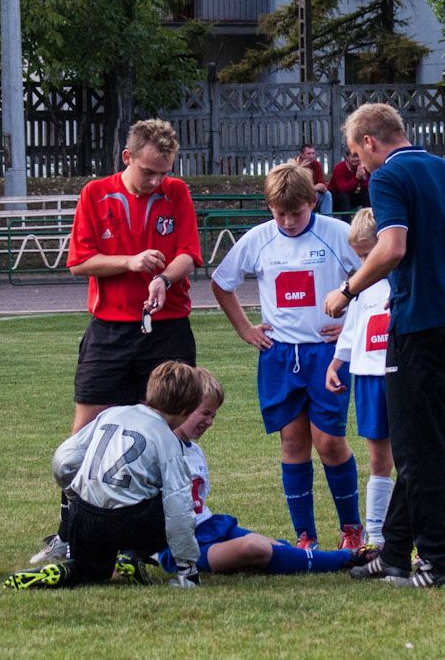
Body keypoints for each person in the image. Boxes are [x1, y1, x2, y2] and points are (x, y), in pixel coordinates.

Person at [322, 103, 445, 590]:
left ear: (370, 141)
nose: (359, 164)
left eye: (356, 152)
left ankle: (439, 562)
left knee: (416, 449)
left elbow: (392, 247)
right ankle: (396, 555)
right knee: (427, 438)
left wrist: (347, 290)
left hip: (419, 324)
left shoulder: (389, 177)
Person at [30, 119, 203, 565]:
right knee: (86, 432)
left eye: (164, 172)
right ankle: (70, 534)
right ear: (128, 158)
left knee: (172, 430)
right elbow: (79, 262)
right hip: (109, 329)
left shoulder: (177, 193)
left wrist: (164, 278)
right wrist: (130, 263)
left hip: (167, 326)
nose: (156, 181)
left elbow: (189, 254)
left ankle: (155, 539)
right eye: (148, 171)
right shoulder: (95, 194)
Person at [211, 161, 364, 552]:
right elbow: (222, 282)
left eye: (297, 212)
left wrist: (351, 325)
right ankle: (305, 536)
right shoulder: (259, 239)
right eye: (280, 214)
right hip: (279, 356)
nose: (289, 221)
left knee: (329, 442)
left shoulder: (338, 233)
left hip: (326, 355)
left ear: (312, 201)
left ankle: (351, 529)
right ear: (269, 207)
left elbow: (377, 277)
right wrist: (245, 329)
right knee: (293, 444)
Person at [157, 368, 378, 577]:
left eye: (213, 416)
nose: (210, 422)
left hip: (210, 527)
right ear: (183, 406)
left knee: (276, 546)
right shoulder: (157, 449)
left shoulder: (195, 451)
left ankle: (300, 556)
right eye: (205, 413)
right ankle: (346, 558)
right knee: (256, 547)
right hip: (182, 545)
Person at [5, 361, 204, 590]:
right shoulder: (169, 441)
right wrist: (188, 568)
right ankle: (132, 553)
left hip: (84, 517)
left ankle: (65, 571)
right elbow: (178, 508)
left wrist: (74, 497)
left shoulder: (112, 413)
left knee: (92, 572)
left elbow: (64, 460)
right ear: (187, 409)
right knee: (173, 500)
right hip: (130, 523)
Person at [324, 208, 394, 548]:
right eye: (360, 257)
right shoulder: (359, 286)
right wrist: (336, 363)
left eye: (369, 254)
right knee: (378, 458)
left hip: (399, 375)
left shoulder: (402, 279)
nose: (365, 263)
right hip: (367, 377)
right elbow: (352, 330)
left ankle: (413, 534)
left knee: (410, 457)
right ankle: (376, 536)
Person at [328, 149, 370, 213]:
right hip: (335, 198)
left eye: (358, 156)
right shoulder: (339, 168)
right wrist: (357, 178)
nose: (356, 159)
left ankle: (368, 216)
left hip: (350, 196)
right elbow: (343, 189)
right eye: (353, 157)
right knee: (344, 196)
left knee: (366, 194)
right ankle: (347, 218)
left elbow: (366, 188)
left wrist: (363, 178)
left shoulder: (361, 167)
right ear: (347, 157)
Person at [297, 144, 333, 215]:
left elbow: (322, 186)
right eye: (309, 153)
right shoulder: (296, 166)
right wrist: (314, 187)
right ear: (302, 155)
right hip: (300, 196)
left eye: (313, 153)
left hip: (314, 194)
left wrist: (313, 189)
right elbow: (297, 188)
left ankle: (327, 218)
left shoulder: (317, 165)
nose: (311, 156)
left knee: (327, 194)